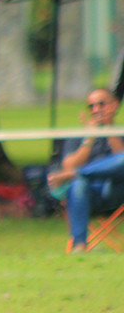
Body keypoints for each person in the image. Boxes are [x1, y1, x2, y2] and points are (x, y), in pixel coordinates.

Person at [47, 88, 124, 252]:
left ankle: (81, 173)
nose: (96, 110)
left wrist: (109, 131)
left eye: (101, 104)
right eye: (91, 106)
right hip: (87, 196)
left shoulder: (121, 133)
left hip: (117, 192)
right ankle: (80, 244)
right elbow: (68, 166)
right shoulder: (78, 137)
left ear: (114, 106)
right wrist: (90, 137)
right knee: (78, 183)